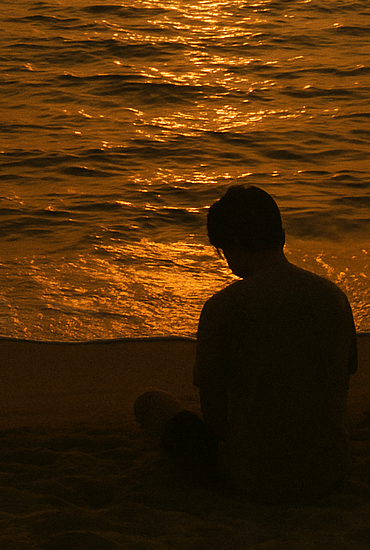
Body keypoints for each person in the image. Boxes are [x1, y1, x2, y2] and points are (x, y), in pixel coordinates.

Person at [135, 185, 358, 502]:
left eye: (222, 250)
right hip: (329, 470)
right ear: (280, 236)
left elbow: (216, 421)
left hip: (254, 477)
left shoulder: (223, 307)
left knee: (151, 403)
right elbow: (342, 383)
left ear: (235, 242)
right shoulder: (334, 297)